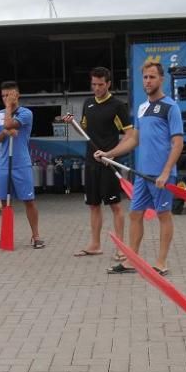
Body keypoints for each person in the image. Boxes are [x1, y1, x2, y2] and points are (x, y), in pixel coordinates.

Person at [95, 62, 183, 275]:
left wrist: (165, 172)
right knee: (135, 214)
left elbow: (178, 142)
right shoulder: (142, 108)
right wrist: (109, 154)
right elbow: (134, 139)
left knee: (163, 215)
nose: (148, 81)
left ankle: (161, 262)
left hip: (161, 176)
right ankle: (131, 261)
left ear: (162, 79)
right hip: (142, 175)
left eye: (152, 77)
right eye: (145, 77)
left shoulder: (171, 107)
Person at [63, 66, 131, 259]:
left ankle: (121, 248)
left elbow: (129, 135)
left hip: (109, 163)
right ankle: (95, 244)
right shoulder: (88, 103)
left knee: (115, 205)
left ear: (108, 84)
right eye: (94, 84)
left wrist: (111, 154)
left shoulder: (117, 106)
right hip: (90, 161)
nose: (97, 88)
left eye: (101, 84)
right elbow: (84, 131)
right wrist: (73, 123)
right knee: (93, 205)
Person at [0, 81, 44, 249]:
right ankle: (5, 235)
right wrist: (4, 132)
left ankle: (36, 236)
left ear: (17, 95)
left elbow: (9, 123)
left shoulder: (26, 113)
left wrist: (8, 114)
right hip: (4, 163)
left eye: (9, 95)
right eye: (3, 96)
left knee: (28, 200)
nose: (6, 99)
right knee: (5, 202)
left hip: (21, 163)